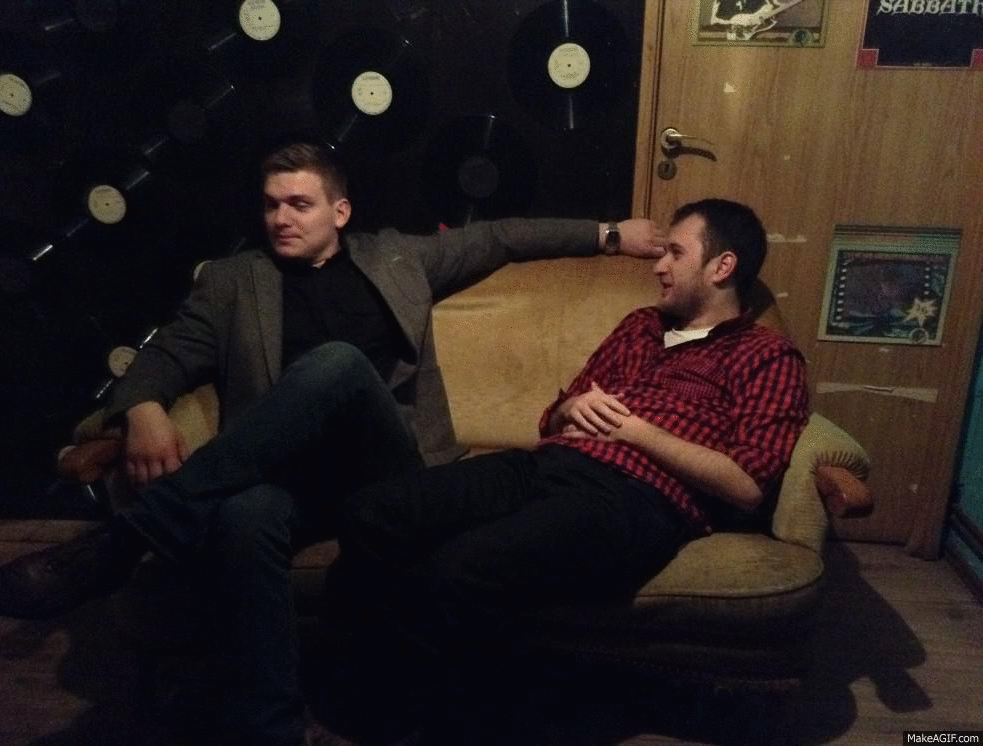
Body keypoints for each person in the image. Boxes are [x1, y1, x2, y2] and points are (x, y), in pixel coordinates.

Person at [0, 142, 665, 746]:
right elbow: (166, 357)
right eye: (271, 204)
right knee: (245, 514)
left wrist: (609, 234)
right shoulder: (233, 282)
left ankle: (126, 540)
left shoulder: (399, 257)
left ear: (340, 212)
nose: (281, 218)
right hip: (286, 473)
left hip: (387, 468)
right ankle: (274, 728)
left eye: (299, 204)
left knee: (337, 365)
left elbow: (503, 237)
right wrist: (142, 408)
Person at [324, 198, 811, 742]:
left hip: (636, 498)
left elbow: (747, 486)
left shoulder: (766, 356)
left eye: (676, 253)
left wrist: (637, 432)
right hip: (548, 464)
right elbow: (553, 417)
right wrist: (570, 408)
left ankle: (436, 727)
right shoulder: (640, 326)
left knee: (460, 570)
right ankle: (355, 707)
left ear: (722, 266)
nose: (659, 265)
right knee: (371, 513)